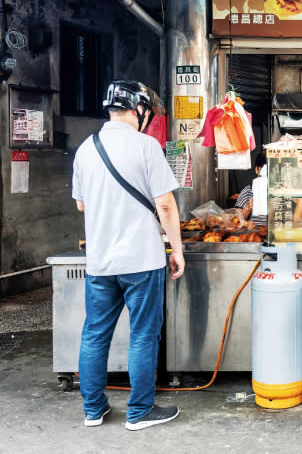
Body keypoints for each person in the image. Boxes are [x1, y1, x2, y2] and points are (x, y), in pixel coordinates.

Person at [72, 80, 185, 431]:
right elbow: (165, 204)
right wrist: (177, 250)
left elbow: (81, 205)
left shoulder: (85, 149)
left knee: (94, 334)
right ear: (139, 109)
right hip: (142, 260)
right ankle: (139, 411)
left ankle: (93, 410)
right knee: (143, 335)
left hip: (101, 261)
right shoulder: (146, 146)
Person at [235, 151, 267, 224]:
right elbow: (236, 223)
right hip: (253, 233)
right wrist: (247, 208)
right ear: (257, 170)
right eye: (265, 172)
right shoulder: (247, 192)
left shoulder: (279, 192)